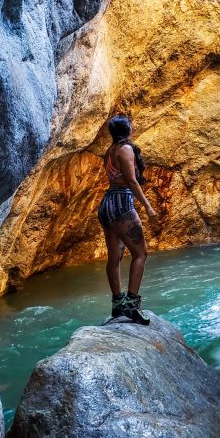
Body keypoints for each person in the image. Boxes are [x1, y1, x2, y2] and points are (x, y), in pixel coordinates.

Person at [98, 114, 157, 324]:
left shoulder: (109, 151)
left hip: (107, 204)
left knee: (114, 258)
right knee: (140, 253)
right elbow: (131, 181)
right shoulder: (125, 149)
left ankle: (117, 305)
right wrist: (148, 207)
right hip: (122, 203)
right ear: (127, 129)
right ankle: (132, 306)